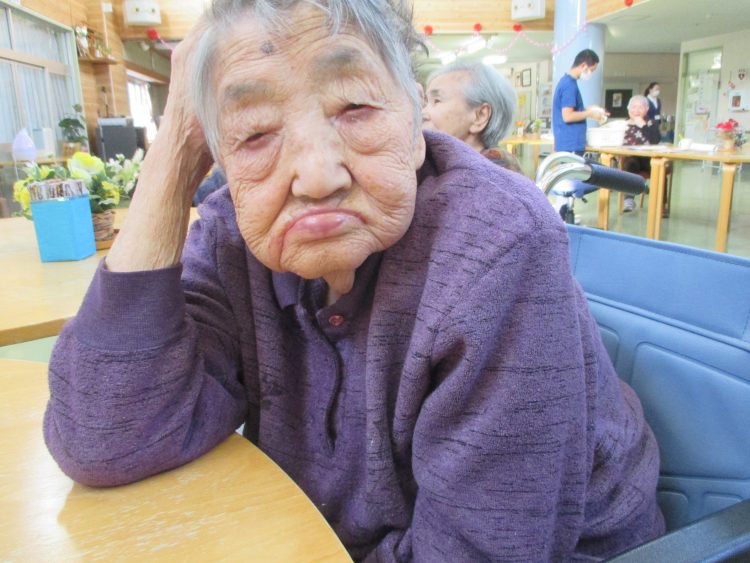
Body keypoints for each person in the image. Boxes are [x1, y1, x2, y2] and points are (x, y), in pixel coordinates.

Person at [43, 1, 664, 560]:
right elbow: (105, 436)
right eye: (253, 133)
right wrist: (174, 154)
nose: (317, 176)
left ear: (415, 120)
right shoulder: (234, 236)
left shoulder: (498, 244)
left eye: (355, 108)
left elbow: (487, 549)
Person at [422, 62, 522, 173]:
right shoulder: (436, 165)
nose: (423, 113)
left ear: (480, 116)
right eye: (426, 102)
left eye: (437, 101)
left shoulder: (492, 177)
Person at [552, 49, 607, 155]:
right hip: (570, 145)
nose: (591, 74)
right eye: (591, 70)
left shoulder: (567, 82)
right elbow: (567, 116)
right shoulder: (569, 85)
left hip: (568, 144)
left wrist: (589, 109)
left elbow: (571, 109)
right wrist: (590, 113)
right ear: (583, 66)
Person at [621, 95, 662, 212]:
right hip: (631, 158)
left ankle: (661, 204)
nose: (636, 110)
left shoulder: (651, 123)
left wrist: (643, 126)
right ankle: (629, 199)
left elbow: (655, 140)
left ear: (647, 109)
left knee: (660, 167)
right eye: (633, 107)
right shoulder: (623, 124)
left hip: (649, 159)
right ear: (628, 109)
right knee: (630, 164)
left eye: (640, 107)